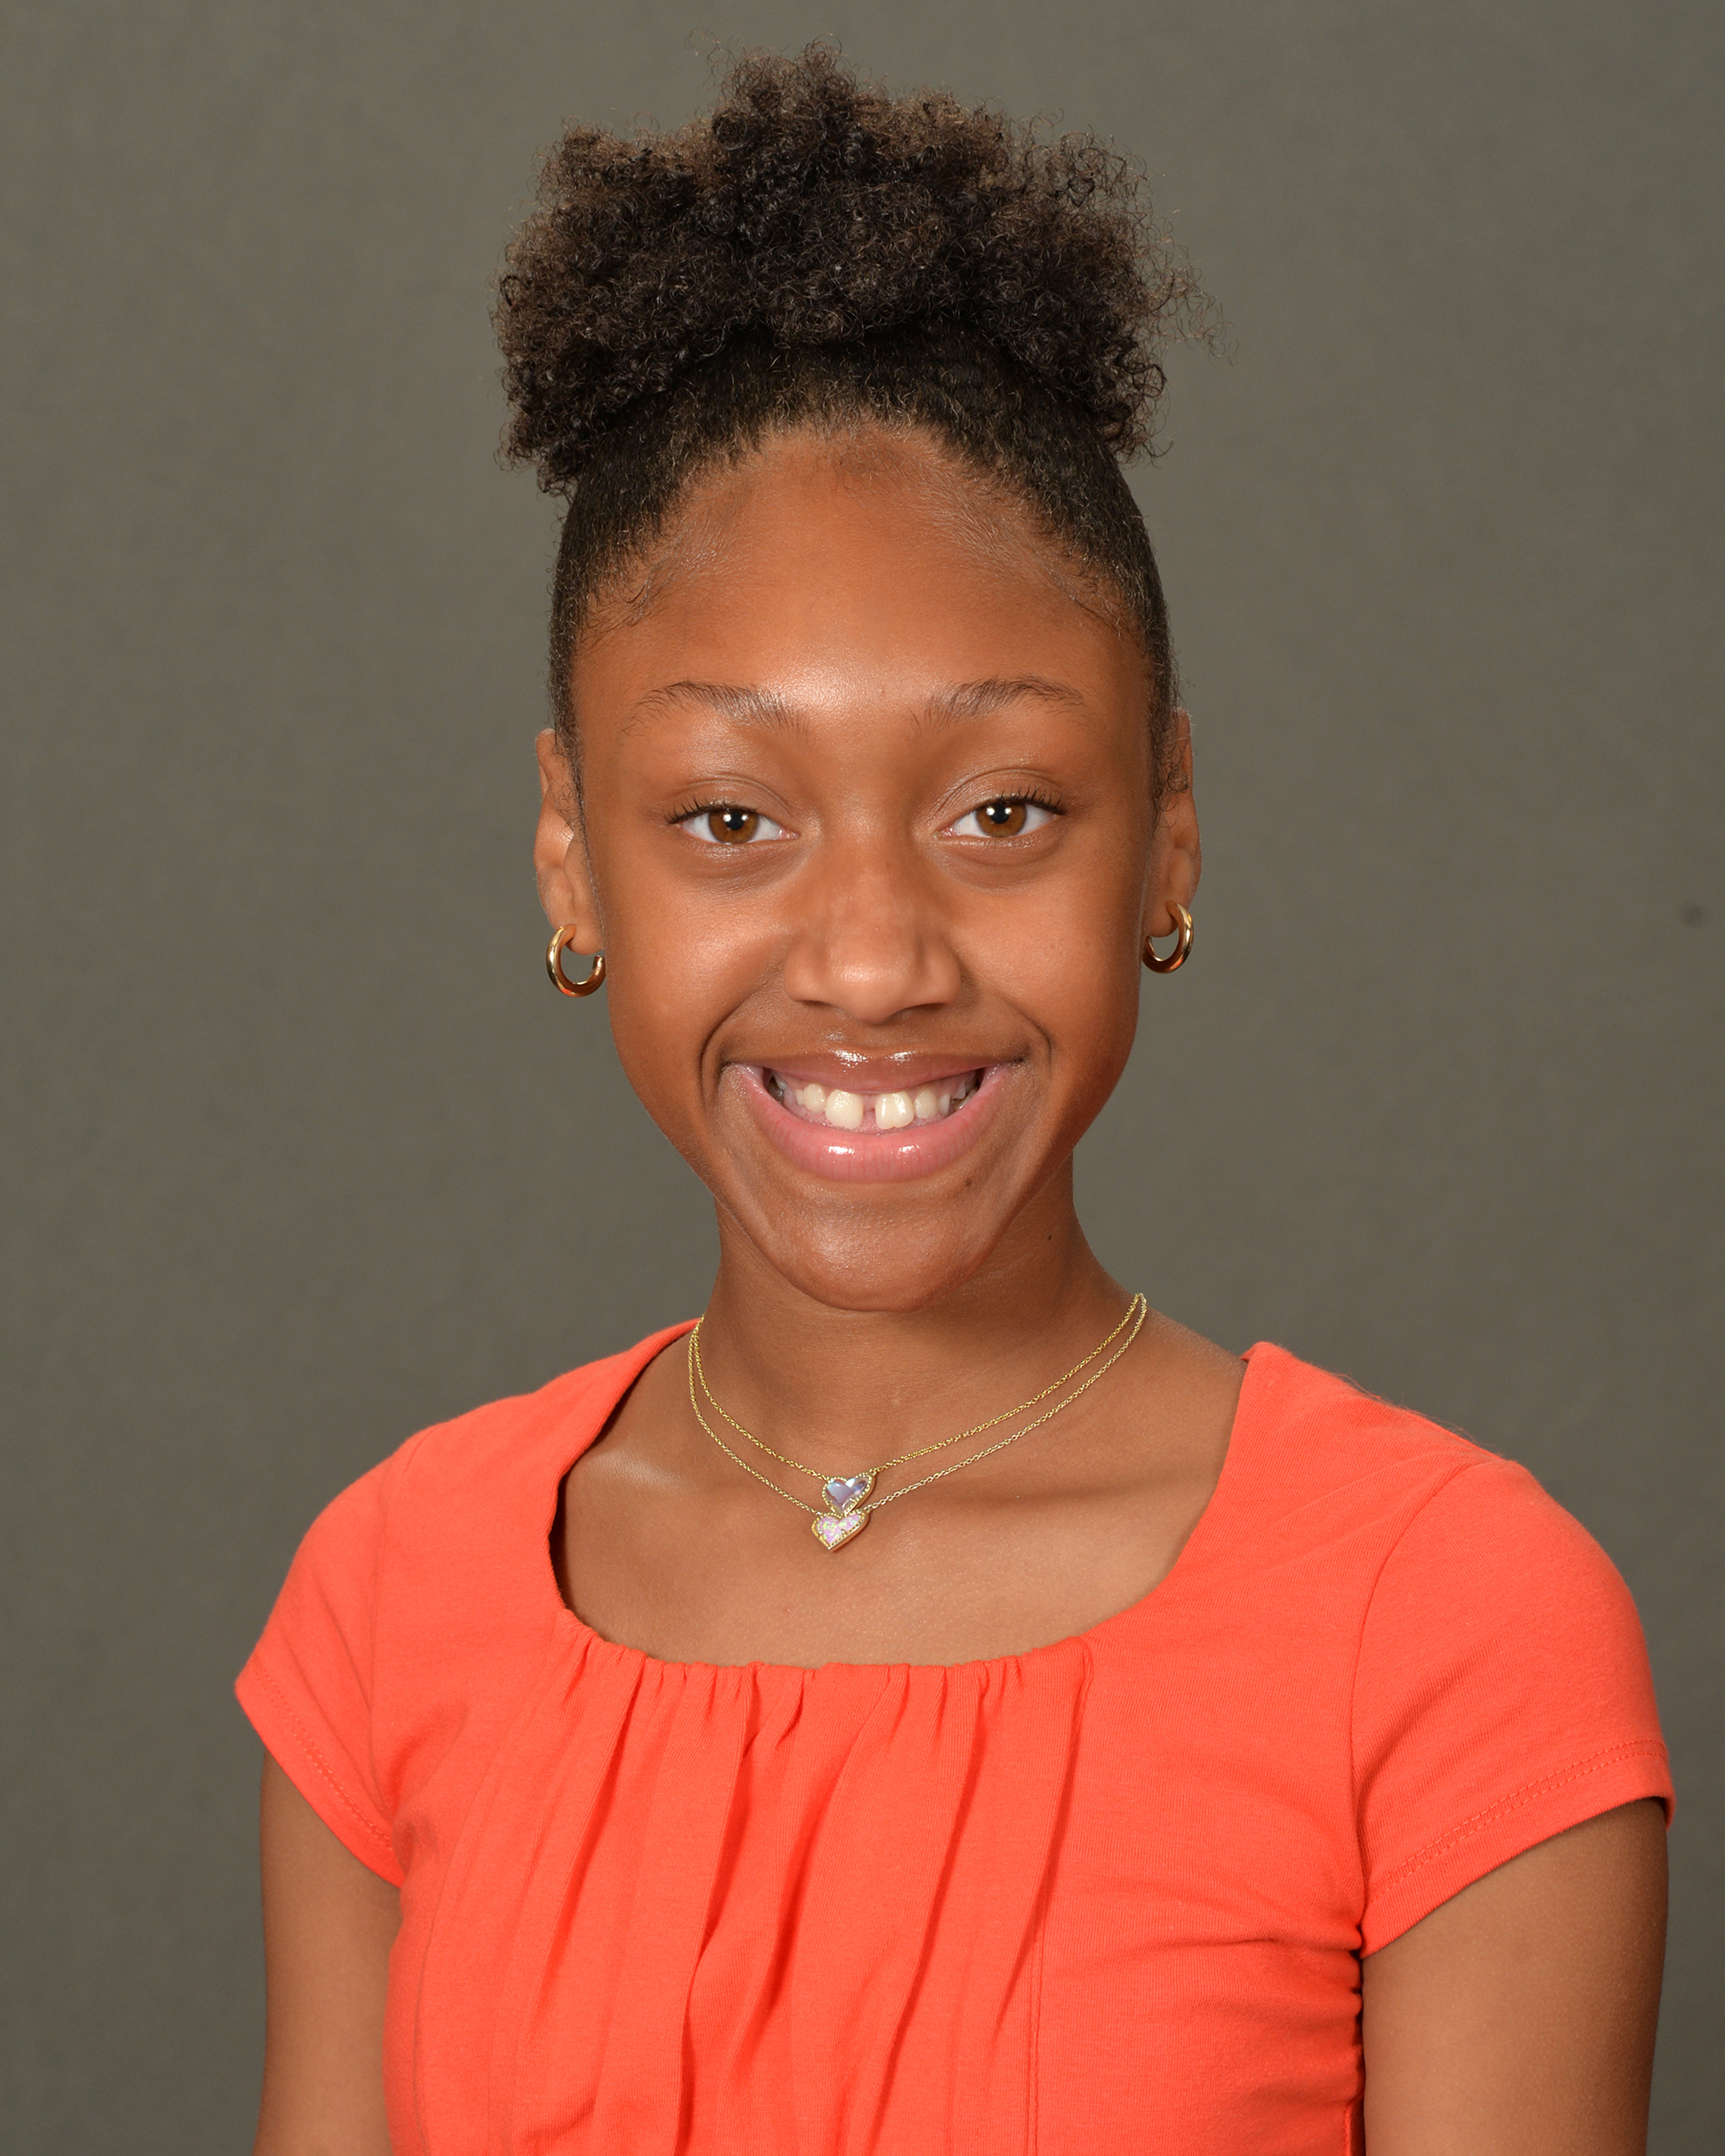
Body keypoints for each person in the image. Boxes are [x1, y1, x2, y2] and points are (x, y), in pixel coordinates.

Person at [241, 47, 1671, 2156]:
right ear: (569, 856)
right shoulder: (393, 1601)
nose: (871, 959)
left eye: (1002, 808)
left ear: (1168, 831)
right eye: (729, 817)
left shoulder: (1448, 1623)